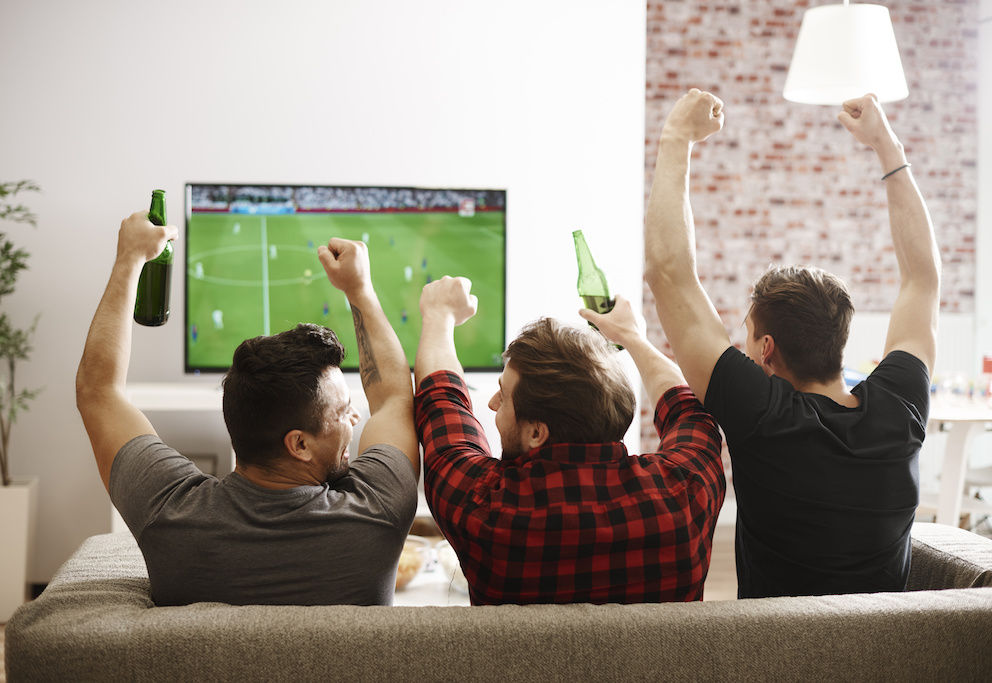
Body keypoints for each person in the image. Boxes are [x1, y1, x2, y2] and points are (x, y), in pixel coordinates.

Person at [644, 89, 940, 598]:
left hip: (774, 660)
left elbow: (669, 274)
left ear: (766, 349)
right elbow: (923, 280)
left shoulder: (763, 416)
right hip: (890, 660)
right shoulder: (900, 408)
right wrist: (885, 146)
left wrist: (676, 139)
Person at [76, 217, 419, 607]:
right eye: (343, 412)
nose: (355, 419)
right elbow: (394, 399)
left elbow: (98, 392)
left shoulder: (167, 511)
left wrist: (129, 260)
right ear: (299, 444)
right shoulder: (379, 510)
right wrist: (360, 289)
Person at [413, 280, 725, 605]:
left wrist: (439, 314)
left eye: (504, 396)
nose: (493, 403)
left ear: (537, 432)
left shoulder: (483, 508)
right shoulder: (686, 493)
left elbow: (442, 399)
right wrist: (632, 337)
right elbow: (684, 405)